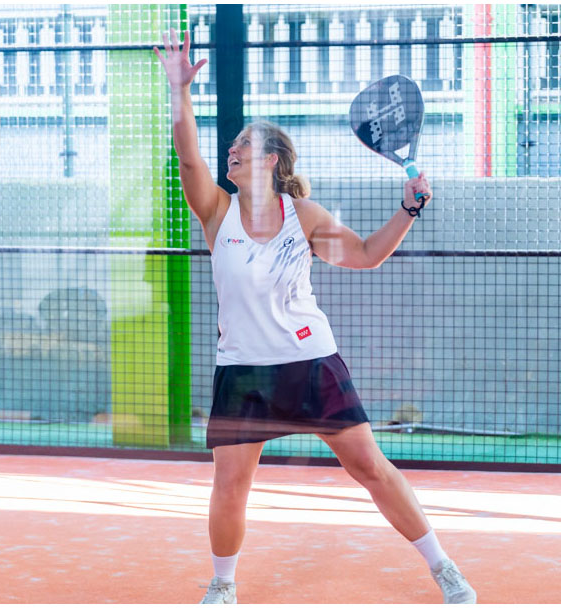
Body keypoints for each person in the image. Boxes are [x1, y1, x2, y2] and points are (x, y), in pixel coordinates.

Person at [155, 29, 476, 605]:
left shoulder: (301, 215)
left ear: (270, 160)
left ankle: (444, 568)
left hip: (309, 361)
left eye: (243, 146)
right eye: (230, 146)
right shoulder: (215, 210)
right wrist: (179, 91)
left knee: (371, 467)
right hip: (243, 370)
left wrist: (408, 209)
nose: (231, 152)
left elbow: (366, 255)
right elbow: (188, 155)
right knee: (230, 485)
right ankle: (223, 586)